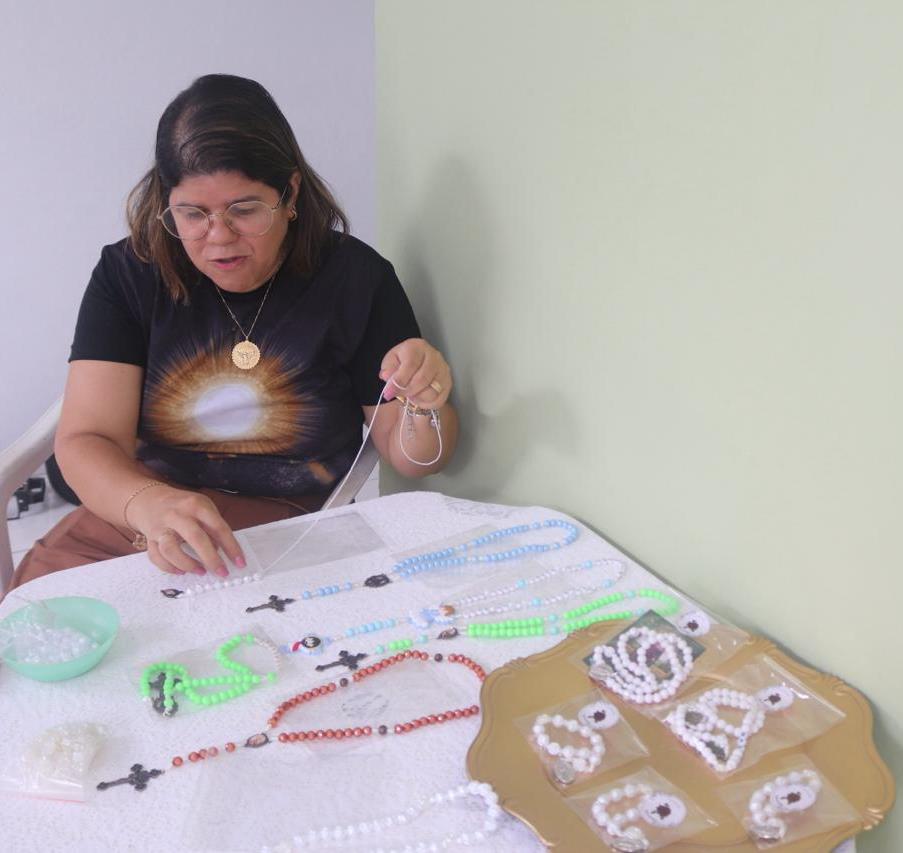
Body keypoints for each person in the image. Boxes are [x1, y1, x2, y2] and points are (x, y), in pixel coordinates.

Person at [11, 74, 457, 588]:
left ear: (289, 192)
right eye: (192, 214)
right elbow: (87, 439)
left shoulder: (355, 279)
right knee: (41, 617)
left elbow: (414, 460)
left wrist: (424, 400)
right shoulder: (129, 273)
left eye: (244, 210)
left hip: (287, 531)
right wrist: (148, 503)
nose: (219, 237)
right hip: (141, 516)